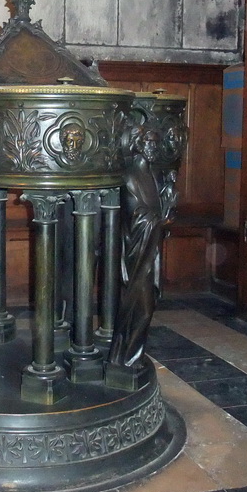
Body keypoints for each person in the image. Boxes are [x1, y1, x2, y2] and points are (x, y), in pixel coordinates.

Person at [108, 128, 170, 368]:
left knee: (147, 306)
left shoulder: (153, 175)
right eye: (150, 142)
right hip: (136, 252)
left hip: (150, 249)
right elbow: (136, 215)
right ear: (138, 144)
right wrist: (158, 220)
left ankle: (130, 356)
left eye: (157, 143)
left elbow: (155, 211)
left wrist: (168, 205)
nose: (154, 147)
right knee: (141, 308)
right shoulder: (130, 176)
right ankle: (127, 358)